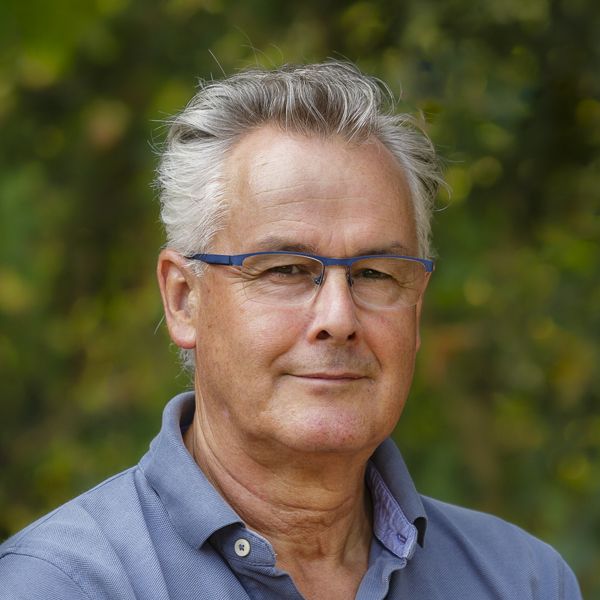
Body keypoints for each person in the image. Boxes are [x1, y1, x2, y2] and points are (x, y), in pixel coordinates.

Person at [0, 62, 581, 600]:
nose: (338, 319)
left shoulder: (522, 580)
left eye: (375, 273)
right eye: (286, 270)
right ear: (184, 299)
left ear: (417, 306)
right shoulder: (62, 584)